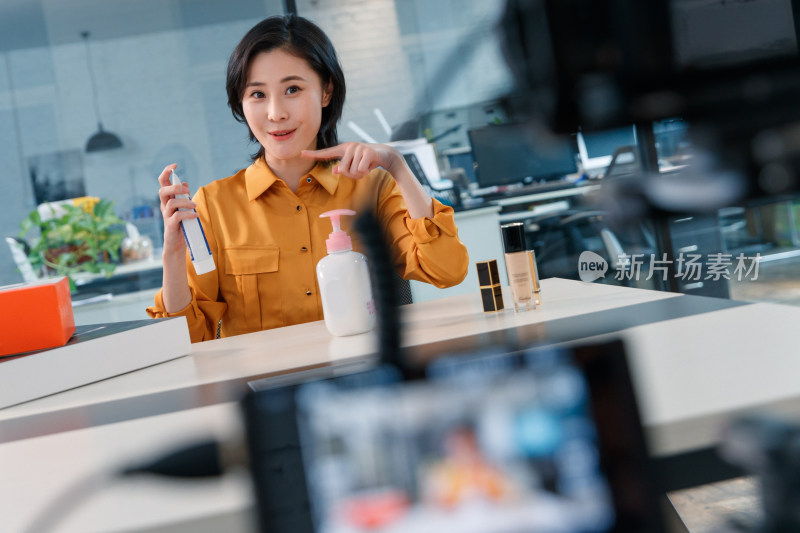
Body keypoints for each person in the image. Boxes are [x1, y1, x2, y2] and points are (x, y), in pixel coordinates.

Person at [147, 15, 469, 342]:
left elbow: (446, 270)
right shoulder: (214, 206)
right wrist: (172, 256)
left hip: (367, 379)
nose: (275, 113)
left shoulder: (373, 186)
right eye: (257, 95)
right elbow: (185, 338)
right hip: (270, 386)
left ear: (326, 91)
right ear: (240, 103)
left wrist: (397, 165)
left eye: (292, 89)